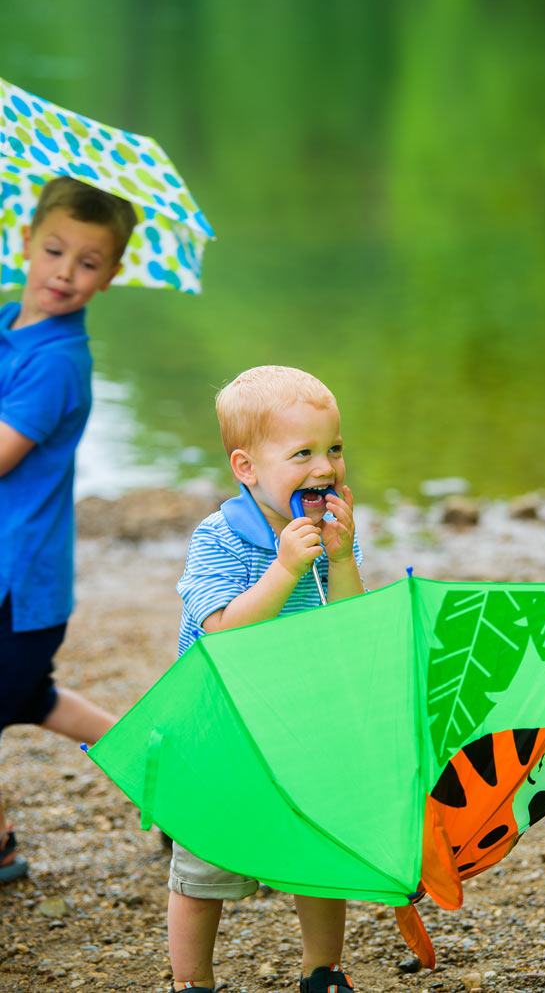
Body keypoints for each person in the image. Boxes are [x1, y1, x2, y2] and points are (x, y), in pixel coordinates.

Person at [169, 364, 365, 993]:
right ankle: (189, 980)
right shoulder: (221, 537)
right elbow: (224, 630)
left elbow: (351, 621)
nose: (326, 468)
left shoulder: (329, 533)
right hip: (224, 728)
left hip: (303, 719)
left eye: (334, 448)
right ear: (246, 466)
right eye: (302, 453)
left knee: (319, 854)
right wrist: (281, 571)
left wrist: (340, 558)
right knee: (205, 869)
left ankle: (322, 971)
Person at [0, 175, 137, 883]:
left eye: (88, 262)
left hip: (17, 582)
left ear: (111, 276)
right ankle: (162, 779)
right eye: (53, 250)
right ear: (24, 241)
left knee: (25, 695)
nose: (64, 272)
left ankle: (171, 787)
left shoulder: (57, 362)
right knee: (32, 699)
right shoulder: (9, 325)